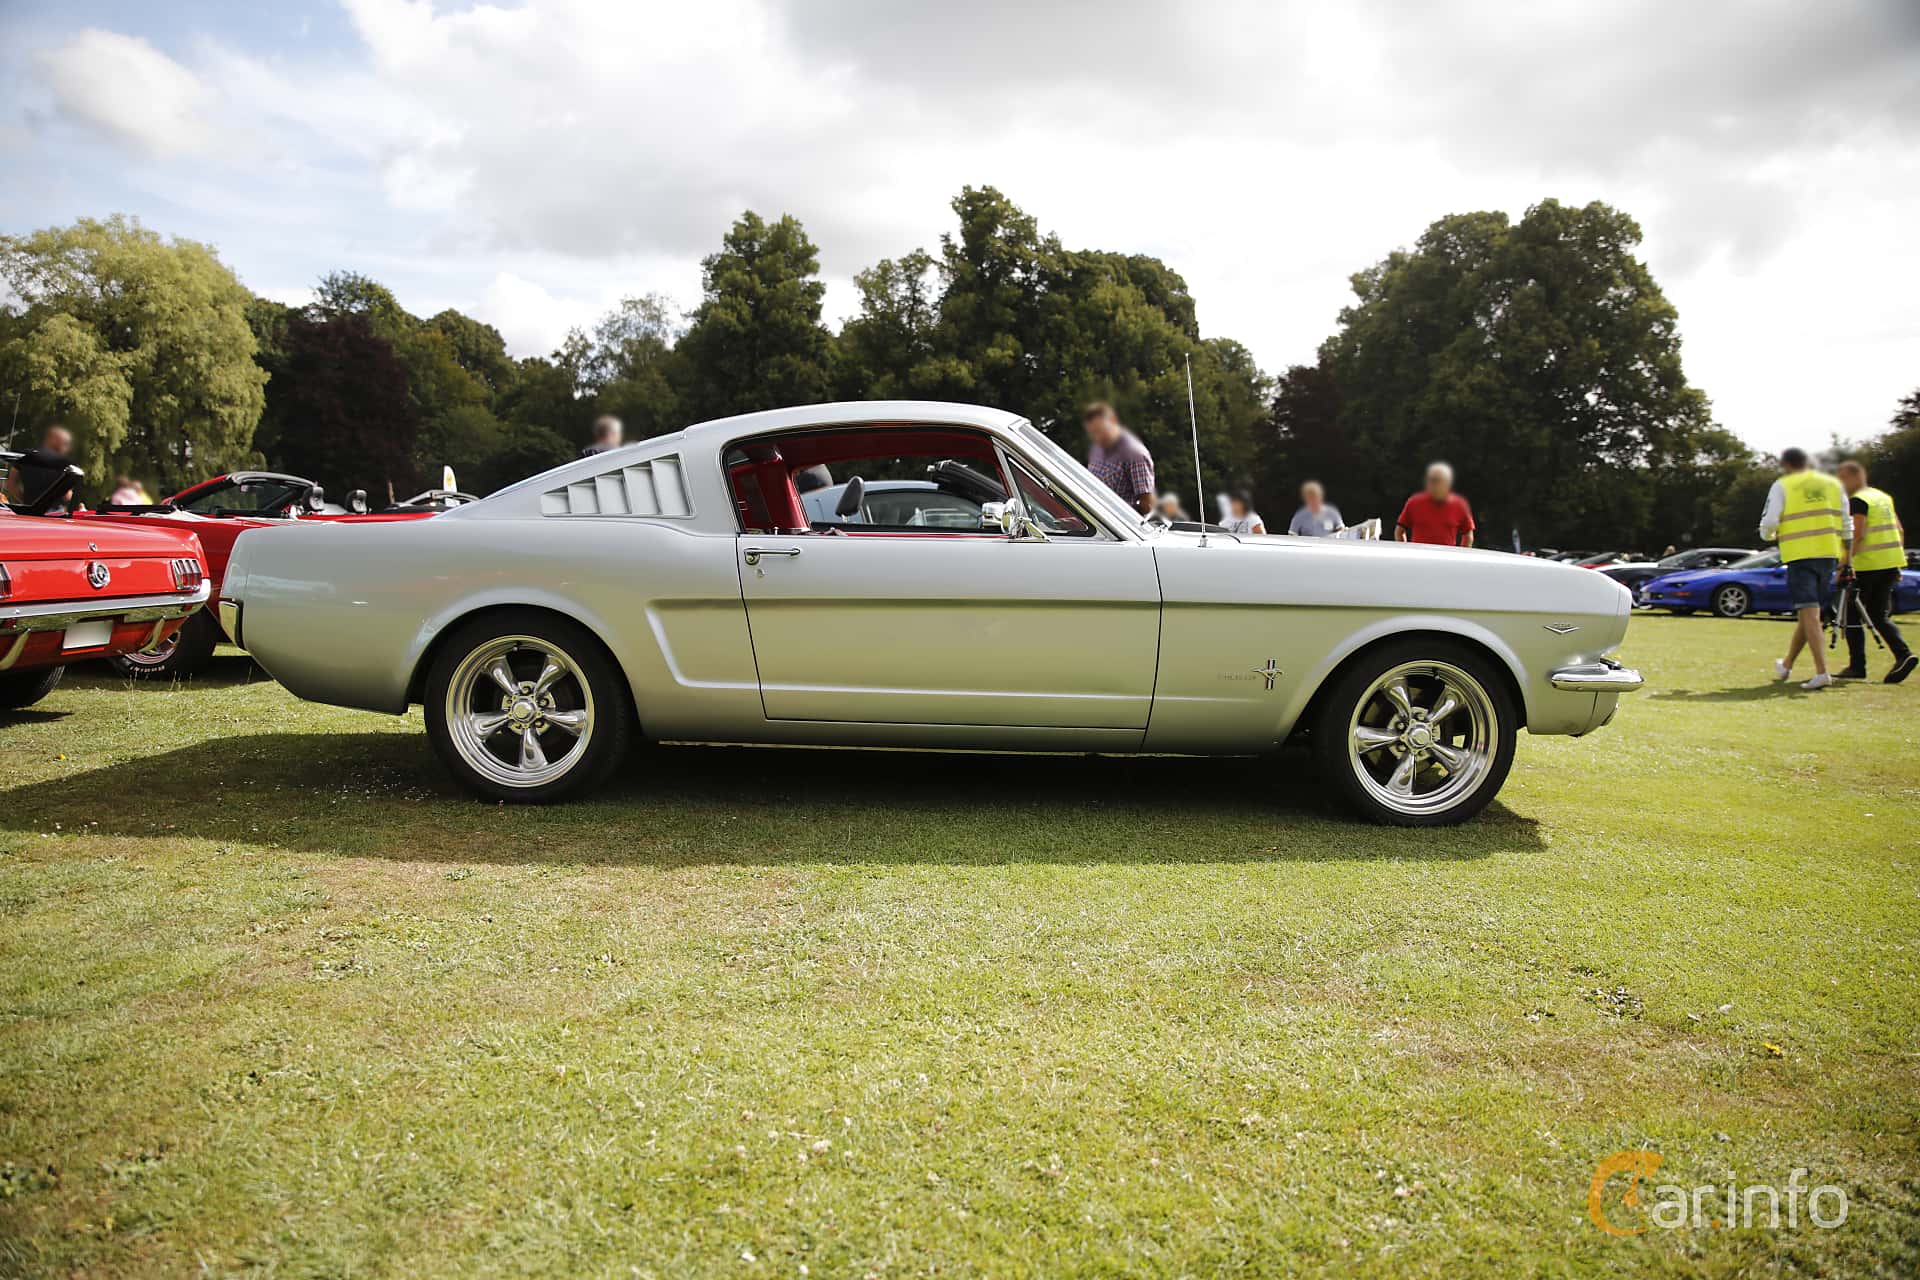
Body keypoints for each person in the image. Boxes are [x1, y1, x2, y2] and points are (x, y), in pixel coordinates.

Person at [1761, 447, 1849, 690]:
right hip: (1829, 553)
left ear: (1786, 464)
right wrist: (1846, 556)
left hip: (1800, 554)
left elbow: (1769, 521)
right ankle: (1787, 664)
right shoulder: (1833, 484)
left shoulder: (1784, 485)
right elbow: (1846, 522)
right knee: (1809, 612)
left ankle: (1822, 672)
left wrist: (1767, 534)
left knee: (1809, 613)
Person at [1835, 459, 1915, 684]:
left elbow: (1857, 535)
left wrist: (1844, 565)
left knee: (1851, 614)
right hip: (1889, 563)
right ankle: (1903, 654)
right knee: (1879, 614)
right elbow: (1899, 530)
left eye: (1841, 478)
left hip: (1867, 564)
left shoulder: (1858, 501)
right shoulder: (1883, 497)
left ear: (1853, 477)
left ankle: (1857, 665)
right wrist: (1898, 563)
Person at [1082, 401, 1155, 515]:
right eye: (1093, 433)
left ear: (1113, 421)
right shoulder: (1096, 448)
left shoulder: (1135, 454)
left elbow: (1147, 504)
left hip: (1117, 526)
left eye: (1101, 431)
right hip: (1091, 520)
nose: (1097, 437)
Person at [1395, 462, 1474, 547]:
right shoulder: (1414, 502)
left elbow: (1468, 535)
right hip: (1418, 557)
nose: (1433, 484)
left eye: (1437, 480)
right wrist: (1406, 551)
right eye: (1430, 480)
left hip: (1446, 558)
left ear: (1447, 483)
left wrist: (1459, 556)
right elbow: (1399, 531)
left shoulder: (1459, 505)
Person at [3, 423, 73, 503]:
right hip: (54, 513)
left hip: (28, 510)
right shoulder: (63, 463)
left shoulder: (25, 456)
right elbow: (66, 496)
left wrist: (25, 501)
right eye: (66, 443)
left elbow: (10, 483)